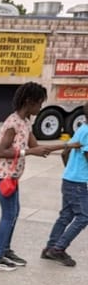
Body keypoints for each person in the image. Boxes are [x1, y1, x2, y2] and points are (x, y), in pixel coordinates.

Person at [0, 82, 69, 271]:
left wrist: (68, 146)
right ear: (29, 101)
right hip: (2, 174)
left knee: (14, 212)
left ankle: (5, 250)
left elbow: (37, 147)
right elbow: (1, 151)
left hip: (12, 175)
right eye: (39, 103)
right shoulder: (13, 123)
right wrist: (28, 153)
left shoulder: (25, 122)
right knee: (8, 215)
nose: (40, 108)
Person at [40, 101, 88, 266]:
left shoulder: (81, 129)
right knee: (84, 216)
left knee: (66, 216)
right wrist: (77, 172)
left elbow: (64, 152)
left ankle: (50, 247)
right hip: (79, 182)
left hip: (69, 179)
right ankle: (58, 249)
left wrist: (70, 170)